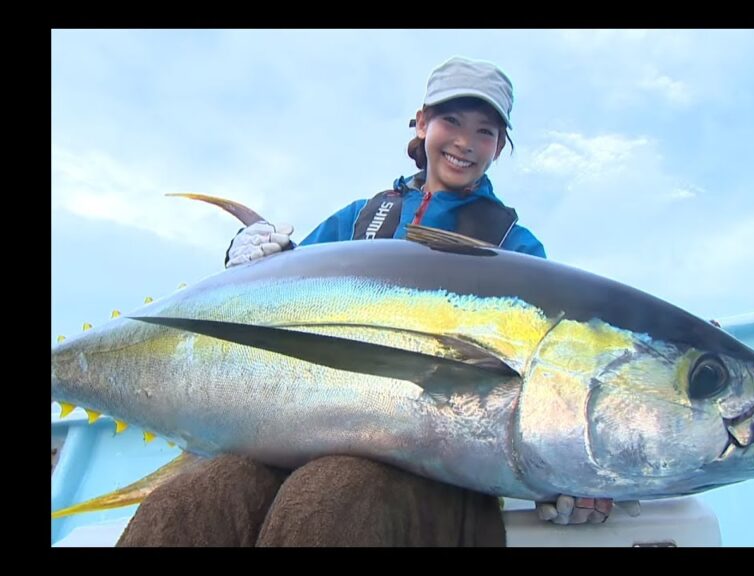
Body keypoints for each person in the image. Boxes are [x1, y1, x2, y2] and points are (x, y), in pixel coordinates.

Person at [119, 56, 613, 548]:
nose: (465, 141)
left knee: (335, 495)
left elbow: (546, 383)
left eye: (485, 131)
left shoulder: (516, 249)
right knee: (191, 500)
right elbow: (277, 295)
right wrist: (252, 254)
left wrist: (573, 470)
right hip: (298, 436)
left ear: (499, 147)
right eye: (452, 121)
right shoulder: (360, 219)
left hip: (436, 477)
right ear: (422, 123)